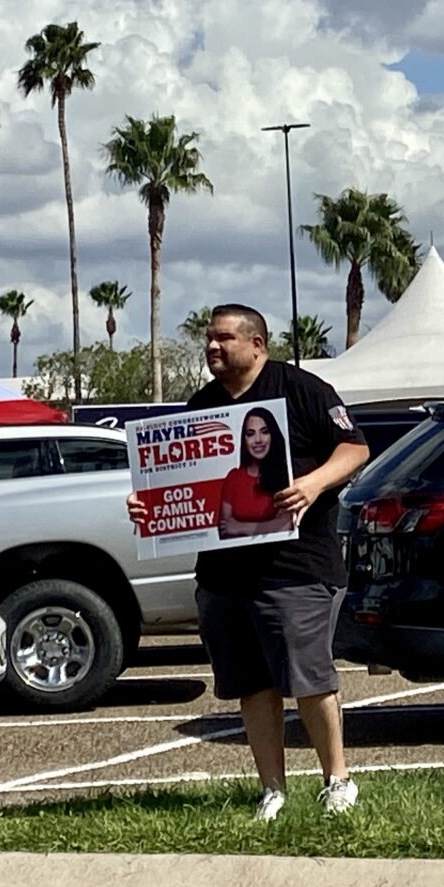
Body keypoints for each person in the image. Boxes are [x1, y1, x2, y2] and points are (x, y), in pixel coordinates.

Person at [128, 304, 370, 821]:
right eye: (208, 339)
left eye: (224, 338)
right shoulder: (203, 406)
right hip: (223, 578)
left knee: (309, 680)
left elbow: (354, 449)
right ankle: (272, 791)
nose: (212, 347)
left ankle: (338, 781)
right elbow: (183, 489)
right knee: (251, 686)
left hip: (296, 570)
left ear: (257, 344)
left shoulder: (302, 390)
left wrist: (312, 484)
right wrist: (148, 506)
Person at [218, 407, 296, 539]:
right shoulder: (234, 477)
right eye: (250, 434)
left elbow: (286, 525)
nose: (258, 440)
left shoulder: (286, 474)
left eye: (264, 432)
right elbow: (226, 528)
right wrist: (269, 526)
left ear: (273, 435)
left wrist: (241, 527)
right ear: (244, 439)